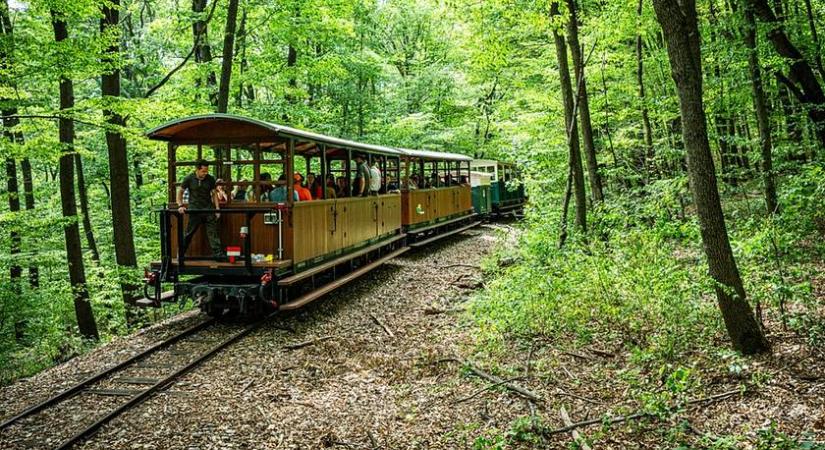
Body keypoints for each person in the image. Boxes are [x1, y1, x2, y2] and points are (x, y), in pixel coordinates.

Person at [177, 159, 223, 259]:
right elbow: (180, 192)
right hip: (195, 209)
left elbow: (214, 193)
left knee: (213, 232)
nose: (205, 173)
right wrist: (180, 205)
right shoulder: (189, 178)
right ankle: (180, 253)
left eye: (206, 171)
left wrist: (217, 208)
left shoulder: (210, 179)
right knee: (189, 232)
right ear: (197, 170)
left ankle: (218, 255)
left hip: (208, 209)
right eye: (203, 171)